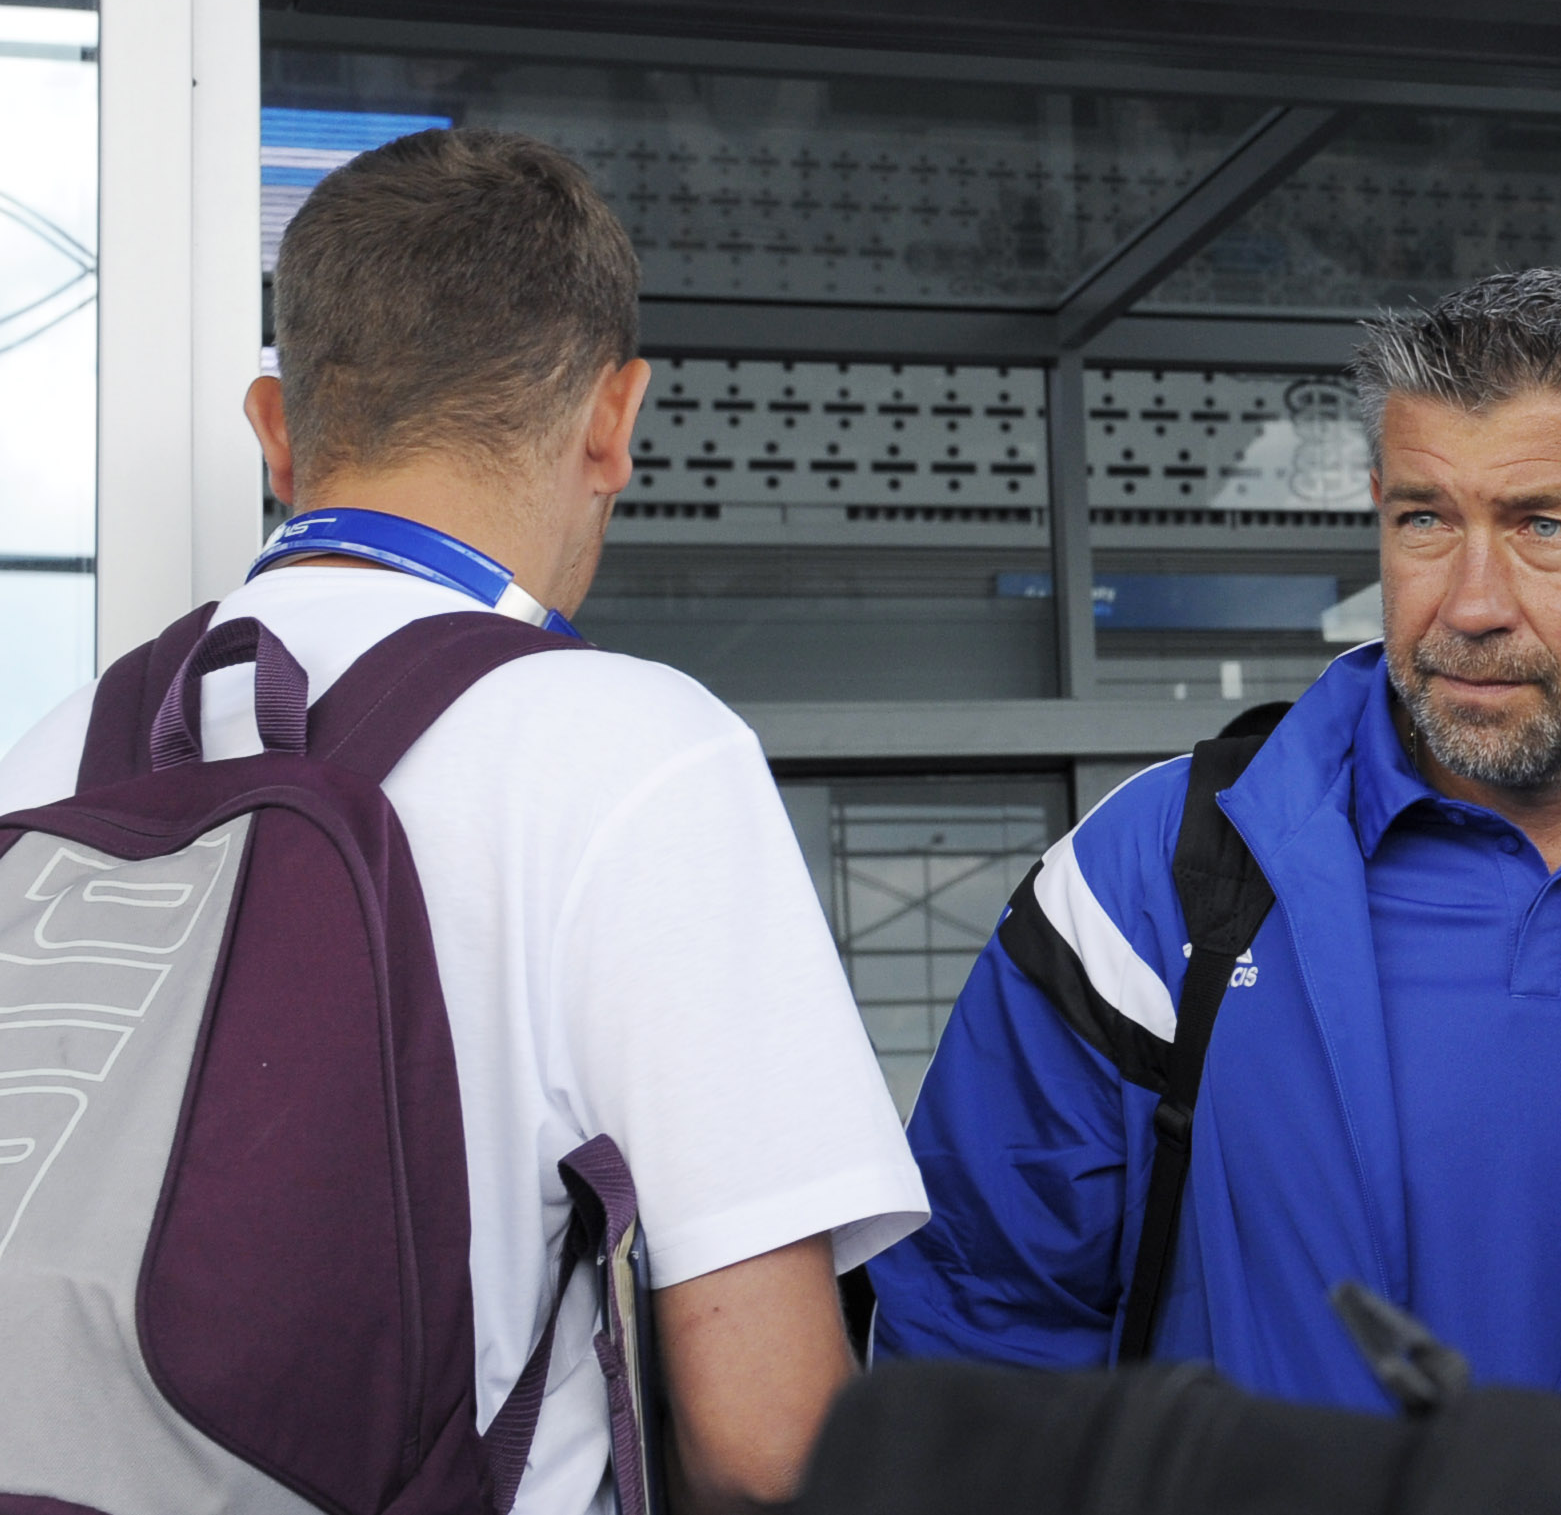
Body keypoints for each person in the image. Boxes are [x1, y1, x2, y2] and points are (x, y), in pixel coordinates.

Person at [0, 129, 925, 1511]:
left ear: (277, 426)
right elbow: (766, 1439)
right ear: (615, 419)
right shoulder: (635, 750)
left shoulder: (51, 758)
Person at [870, 268, 1561, 1403]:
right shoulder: (1152, 877)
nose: (1469, 603)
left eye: (1541, 525)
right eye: (1423, 517)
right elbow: (976, 1342)